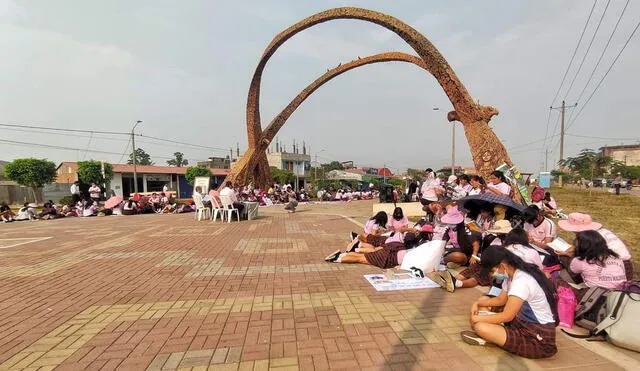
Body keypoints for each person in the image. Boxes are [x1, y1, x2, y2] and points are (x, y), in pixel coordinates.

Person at [460, 247, 558, 359]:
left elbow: (507, 316)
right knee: (483, 301)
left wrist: (476, 319)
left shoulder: (521, 281)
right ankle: (495, 336)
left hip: (537, 338)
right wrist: (477, 303)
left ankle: (494, 337)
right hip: (519, 322)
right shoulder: (511, 275)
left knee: (480, 327)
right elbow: (500, 300)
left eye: (492, 271)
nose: (492, 275)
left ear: (502, 265)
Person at [553, 230, 627, 302]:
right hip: (621, 294)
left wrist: (570, 255)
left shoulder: (580, 260)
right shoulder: (615, 257)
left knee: (554, 281)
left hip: (596, 297)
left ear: (581, 246)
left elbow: (572, 272)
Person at [558, 213, 633, 280]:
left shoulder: (590, 239)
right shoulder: (601, 232)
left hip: (612, 268)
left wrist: (567, 254)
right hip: (624, 266)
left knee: (574, 261)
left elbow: (584, 257)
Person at [523, 205, 559, 272]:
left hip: (545, 251)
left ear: (538, 215)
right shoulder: (527, 222)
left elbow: (547, 246)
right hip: (530, 248)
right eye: (529, 222)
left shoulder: (549, 224)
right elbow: (525, 235)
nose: (531, 224)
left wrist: (533, 242)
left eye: (533, 221)